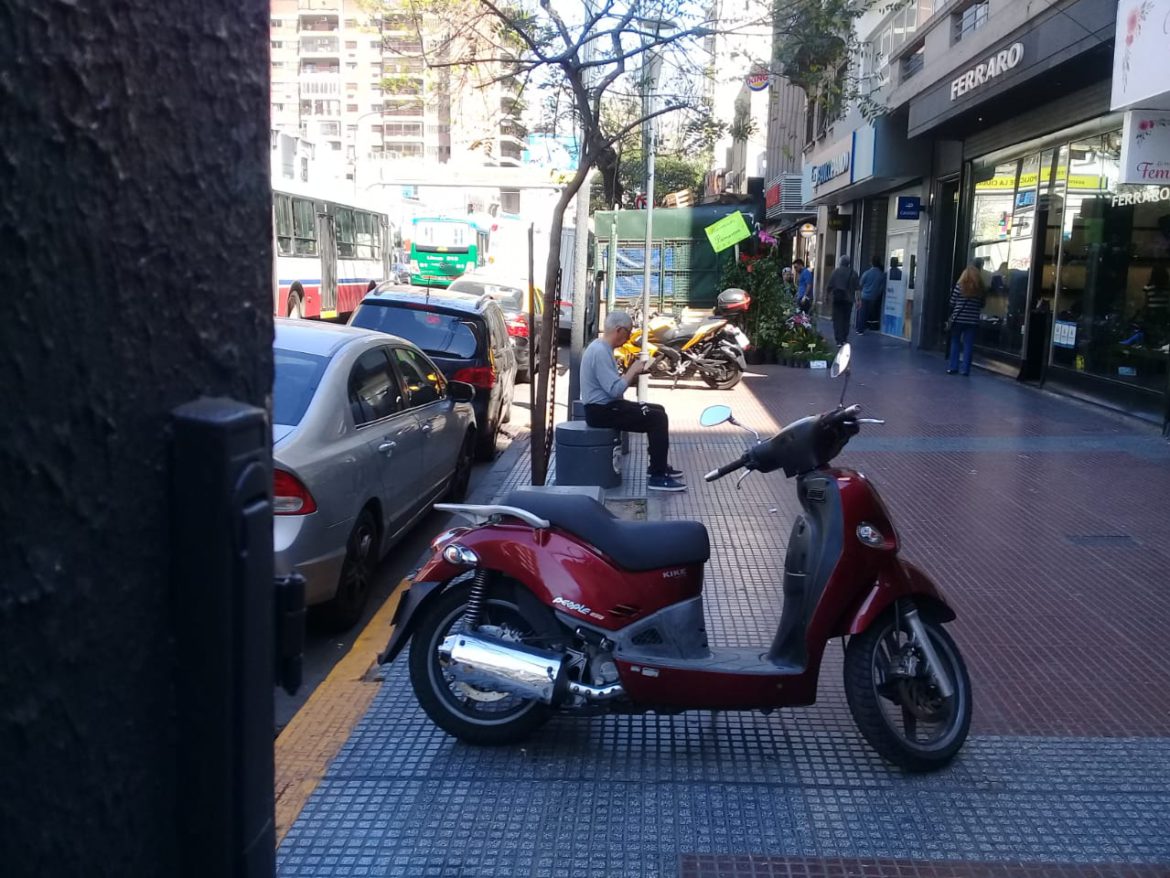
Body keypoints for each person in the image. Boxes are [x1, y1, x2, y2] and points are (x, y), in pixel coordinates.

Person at [581, 311, 686, 492]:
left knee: (658, 410)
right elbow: (615, 390)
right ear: (619, 330)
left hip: (607, 407)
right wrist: (632, 371)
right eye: (628, 332)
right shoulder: (600, 351)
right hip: (601, 411)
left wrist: (635, 374)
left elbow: (612, 385)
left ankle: (656, 466)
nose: (629, 337)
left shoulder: (602, 348)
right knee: (657, 419)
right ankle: (657, 477)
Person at [946, 265, 985, 376]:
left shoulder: (960, 286)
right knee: (968, 345)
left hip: (958, 319)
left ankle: (953, 367)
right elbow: (982, 304)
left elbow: (952, 302)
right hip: (972, 321)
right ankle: (965, 370)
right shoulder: (980, 290)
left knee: (955, 342)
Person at [826, 255, 859, 347]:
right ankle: (844, 338)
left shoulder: (835, 272)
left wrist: (827, 297)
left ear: (840, 262)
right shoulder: (853, 273)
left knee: (837, 320)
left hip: (837, 299)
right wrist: (858, 300)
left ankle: (838, 340)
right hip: (849, 300)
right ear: (848, 263)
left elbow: (829, 286)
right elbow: (857, 288)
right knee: (846, 319)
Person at [856, 256, 885, 334]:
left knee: (862, 313)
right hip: (874, 297)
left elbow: (860, 284)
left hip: (865, 296)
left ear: (871, 263)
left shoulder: (867, 273)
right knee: (871, 313)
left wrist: (858, 298)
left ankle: (860, 329)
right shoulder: (881, 274)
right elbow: (881, 288)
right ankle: (871, 327)